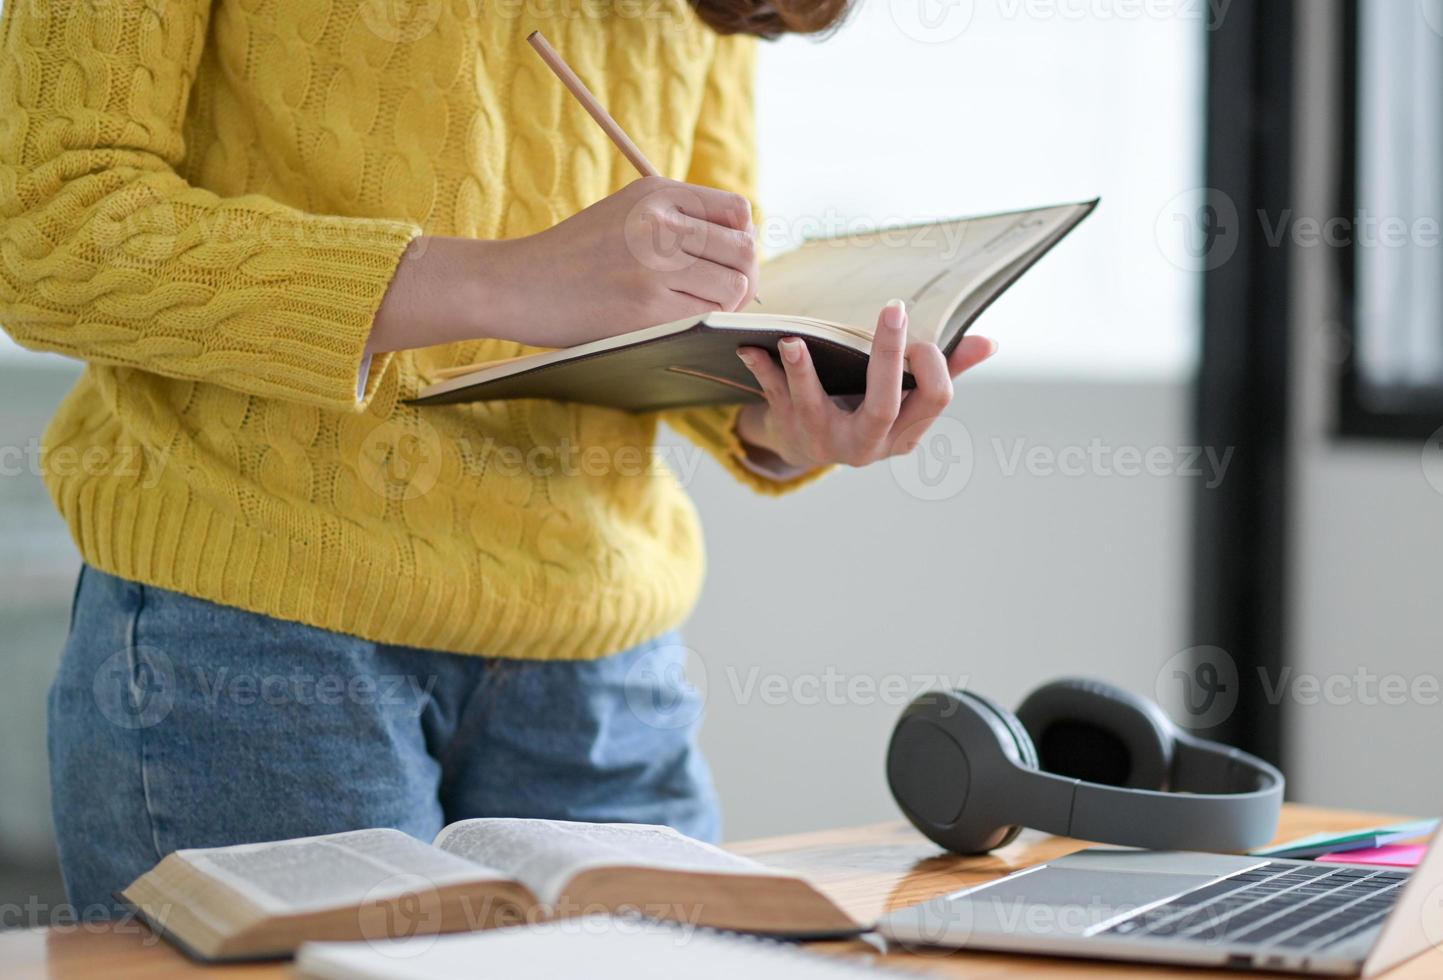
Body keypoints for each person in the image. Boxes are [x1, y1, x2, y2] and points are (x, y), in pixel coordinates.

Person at [0, 0, 994, 917]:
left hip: (606, 674)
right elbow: (47, 226)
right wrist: (504, 279)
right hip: (256, 647)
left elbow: (685, 296)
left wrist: (788, 418)